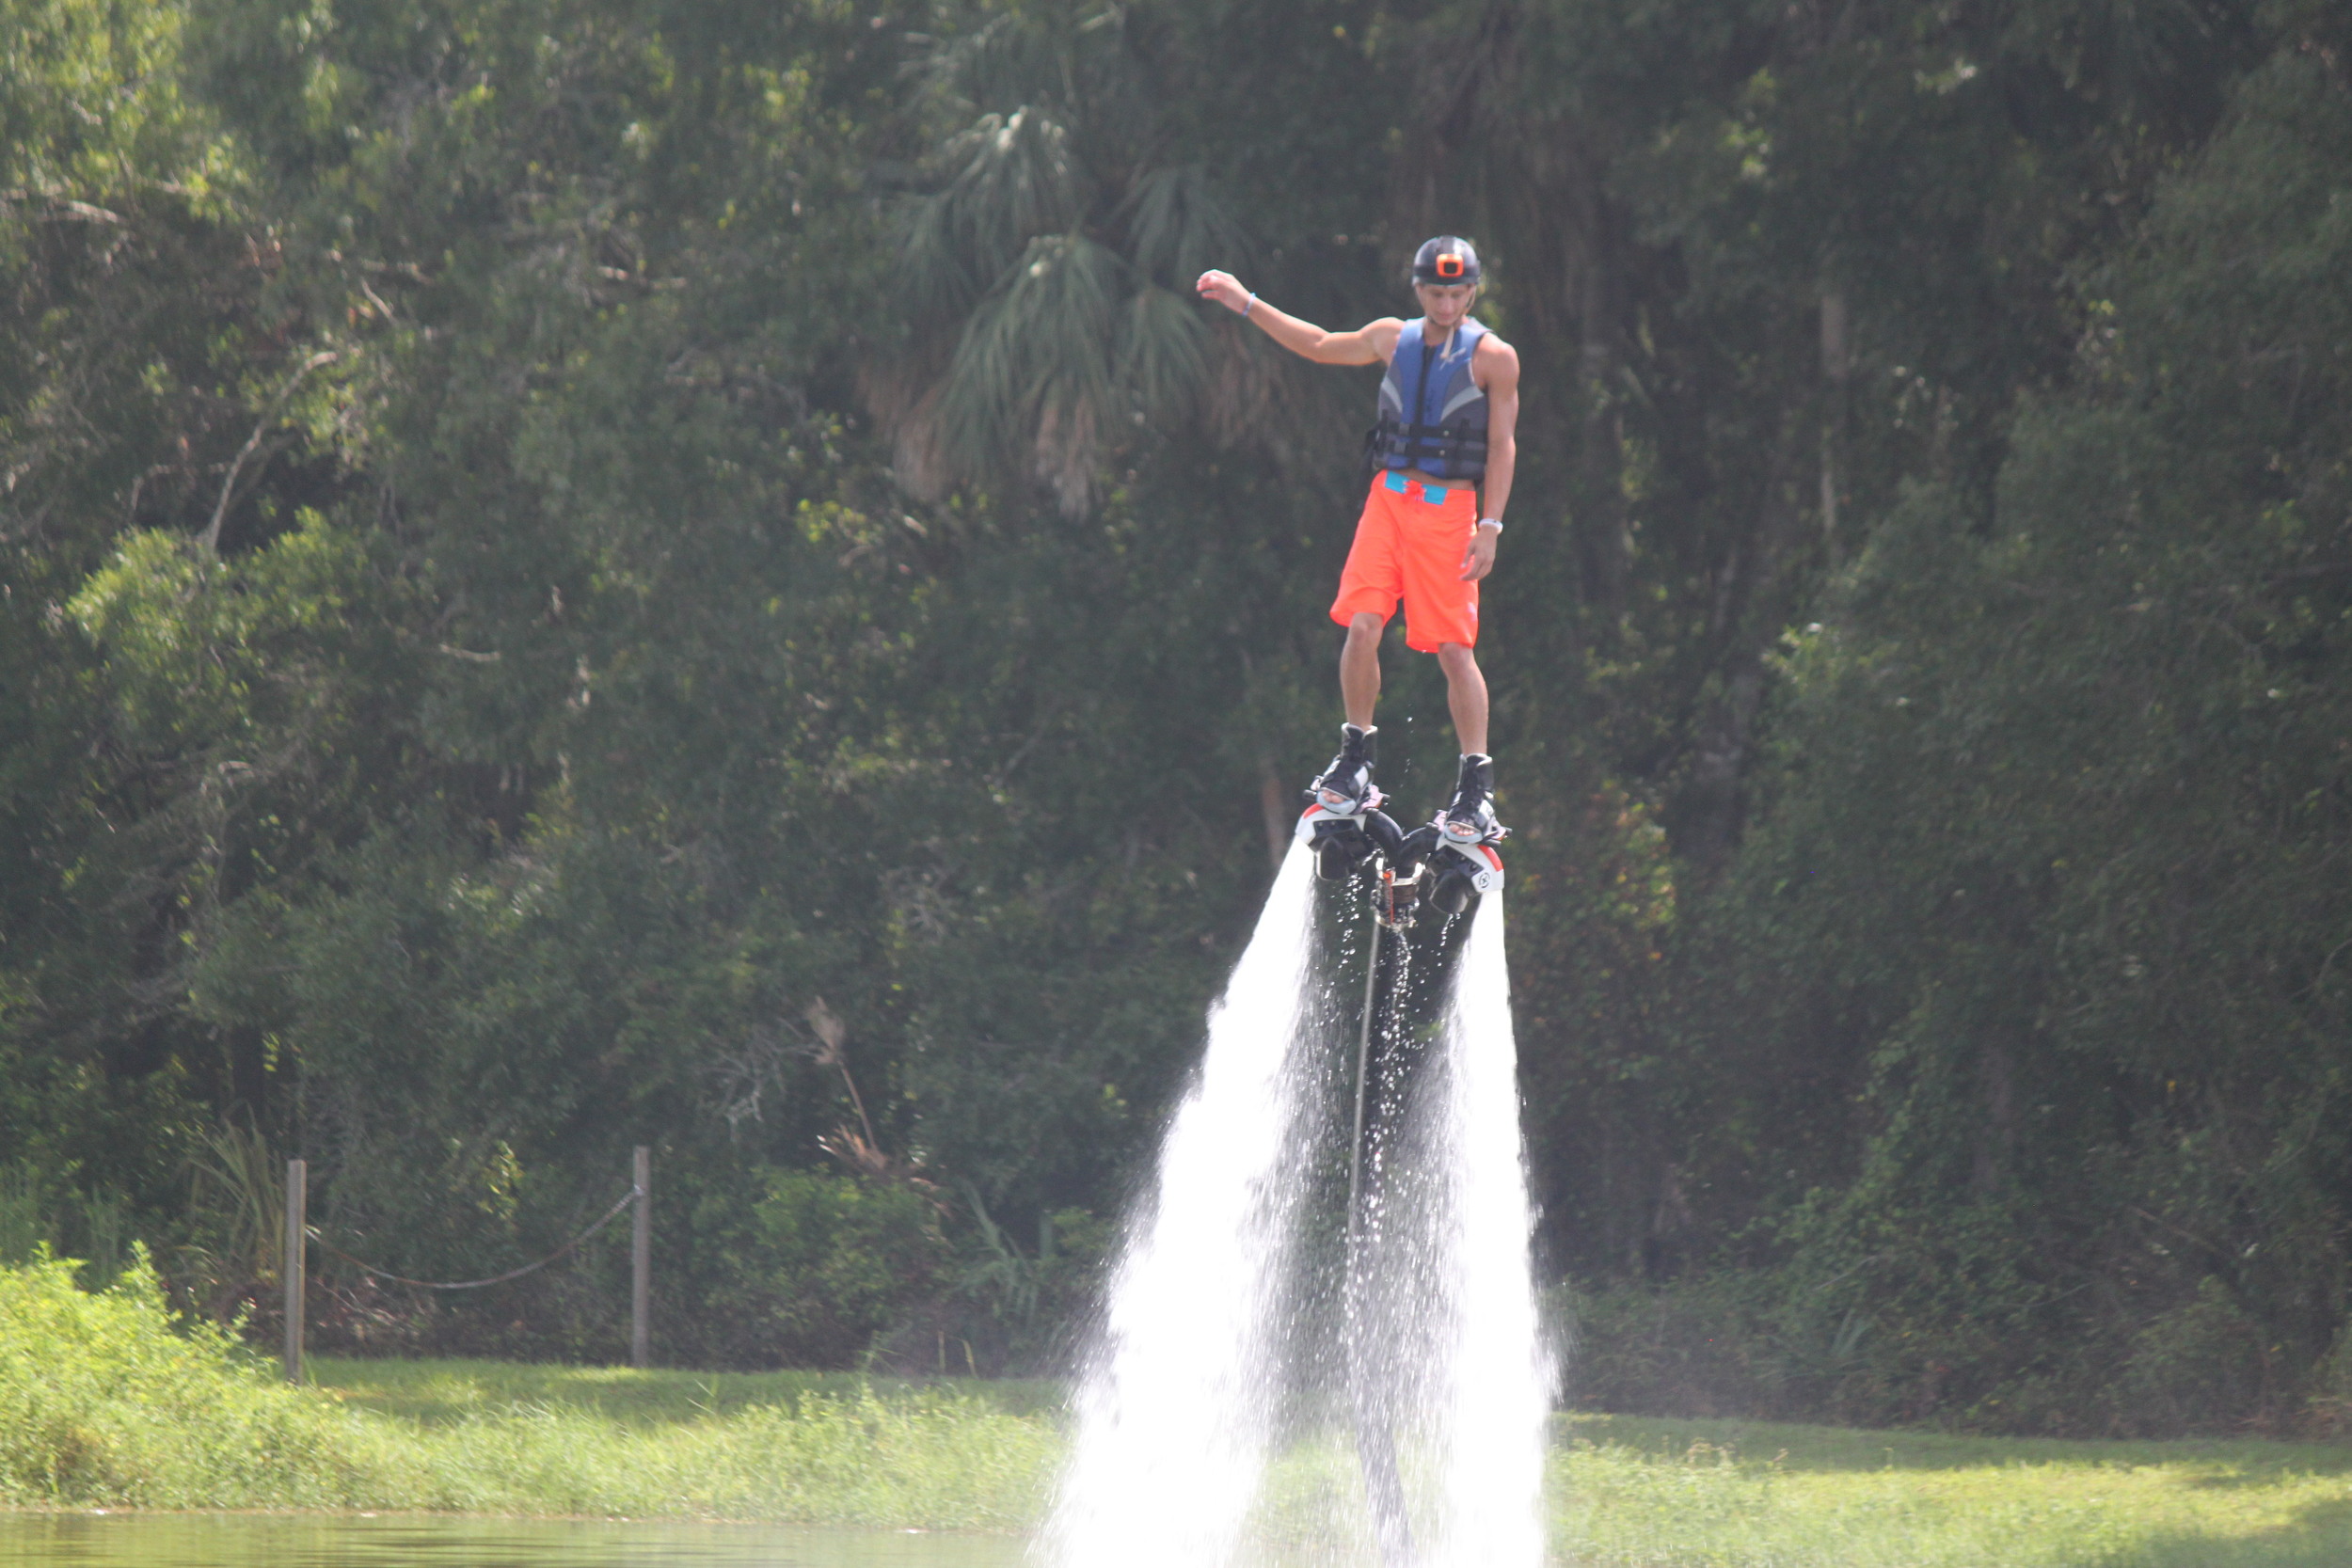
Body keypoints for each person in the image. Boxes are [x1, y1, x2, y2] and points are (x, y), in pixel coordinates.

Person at [1196, 236, 1519, 844]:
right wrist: (1246, 303)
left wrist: (1490, 527)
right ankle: (1355, 755)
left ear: (1472, 291)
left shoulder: (1494, 357)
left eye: (1456, 292)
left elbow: (1501, 446)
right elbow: (1317, 344)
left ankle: (1475, 784)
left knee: (1454, 649)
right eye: (1434, 291)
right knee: (1363, 624)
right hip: (1388, 502)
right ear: (1418, 289)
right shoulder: (1390, 336)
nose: (1445, 303)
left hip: (1451, 514)